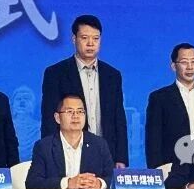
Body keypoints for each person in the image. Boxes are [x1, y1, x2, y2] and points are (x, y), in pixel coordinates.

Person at [40, 15, 128, 166]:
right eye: (85, 38)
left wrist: (121, 158)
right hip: (69, 153)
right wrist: (50, 156)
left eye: (96, 38)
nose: (90, 43)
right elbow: (49, 119)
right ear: (74, 39)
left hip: (105, 154)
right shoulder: (56, 73)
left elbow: (118, 118)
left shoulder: (112, 75)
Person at [145, 43, 194, 169]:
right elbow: (153, 138)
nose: (190, 67)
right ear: (174, 66)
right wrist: (156, 169)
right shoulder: (159, 98)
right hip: (173, 165)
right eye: (184, 62)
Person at [25, 94, 114, 189]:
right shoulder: (44, 147)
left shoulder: (99, 144)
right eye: (70, 111)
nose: (76, 116)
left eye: (80, 111)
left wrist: (99, 184)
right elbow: (32, 183)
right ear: (58, 118)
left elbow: (113, 178)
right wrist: (67, 183)